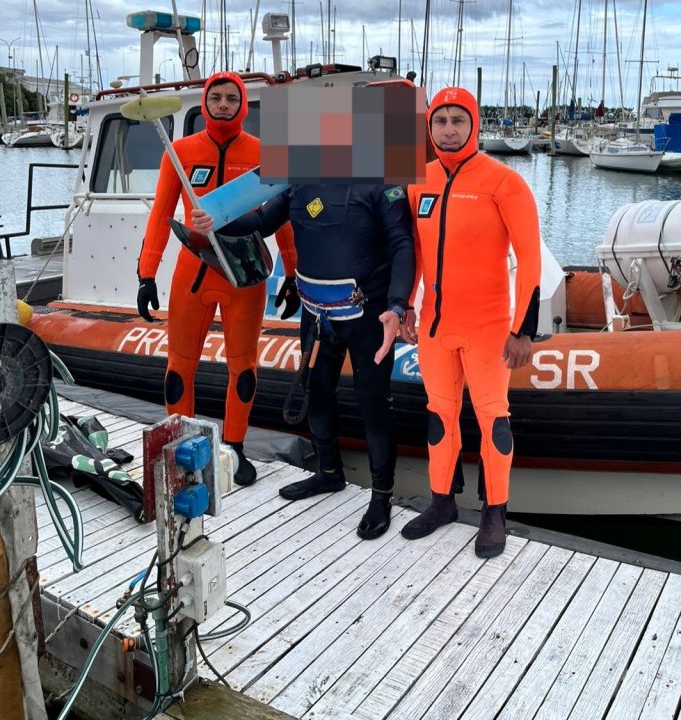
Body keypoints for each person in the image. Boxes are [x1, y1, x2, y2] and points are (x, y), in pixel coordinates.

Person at [191, 180, 415, 539]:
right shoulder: (300, 180)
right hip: (316, 312)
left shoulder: (382, 181)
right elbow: (262, 222)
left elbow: (403, 243)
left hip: (367, 314)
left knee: (373, 400)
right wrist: (216, 220)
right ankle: (329, 472)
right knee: (317, 389)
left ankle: (382, 494)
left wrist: (397, 305)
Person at [136, 71, 299, 486]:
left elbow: (284, 223)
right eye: (216, 98)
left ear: (243, 104)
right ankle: (179, 443)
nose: (223, 105)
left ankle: (236, 448)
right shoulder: (180, 152)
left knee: (243, 367)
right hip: (193, 274)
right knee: (179, 367)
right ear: (205, 103)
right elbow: (160, 214)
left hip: (243, 275)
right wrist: (146, 273)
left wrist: (293, 273)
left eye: (231, 98)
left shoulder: (267, 152)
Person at [400, 86, 541, 558]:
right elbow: (415, 254)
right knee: (439, 418)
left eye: (458, 120)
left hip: (488, 328)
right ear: (430, 128)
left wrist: (522, 330)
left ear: (473, 125)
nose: (449, 129)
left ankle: (494, 511)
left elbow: (530, 259)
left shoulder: (504, 182)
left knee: (493, 423)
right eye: (440, 121)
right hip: (436, 328)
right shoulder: (417, 180)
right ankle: (442, 502)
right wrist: (404, 307)